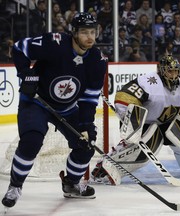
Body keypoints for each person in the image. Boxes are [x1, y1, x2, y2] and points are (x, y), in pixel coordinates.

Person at [1, 12, 107, 208]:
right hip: (36, 102)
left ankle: (72, 184)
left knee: (87, 144)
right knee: (32, 139)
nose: (90, 37)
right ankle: (15, 186)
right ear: (74, 32)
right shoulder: (54, 43)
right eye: (84, 32)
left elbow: (89, 98)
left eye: (93, 32)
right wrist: (26, 74)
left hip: (67, 108)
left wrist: (85, 125)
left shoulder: (97, 61)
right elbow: (19, 48)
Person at [89, 55, 180, 185]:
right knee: (147, 143)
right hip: (145, 124)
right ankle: (106, 167)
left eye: (176, 71)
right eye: (170, 71)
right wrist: (132, 121)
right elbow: (124, 96)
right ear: (162, 71)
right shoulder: (149, 82)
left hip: (167, 123)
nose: (174, 75)